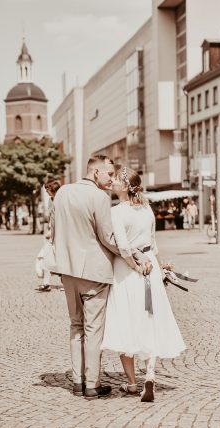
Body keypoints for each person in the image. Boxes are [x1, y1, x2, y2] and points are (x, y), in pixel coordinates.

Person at [52, 155, 152, 400]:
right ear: (95, 172)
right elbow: (108, 237)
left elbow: (54, 230)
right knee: (93, 328)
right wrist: (133, 255)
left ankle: (77, 381)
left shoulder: (63, 192)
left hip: (67, 270)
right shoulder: (99, 197)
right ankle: (92, 384)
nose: (111, 178)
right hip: (94, 272)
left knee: (76, 326)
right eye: (108, 173)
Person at [101, 166, 186, 402]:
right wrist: (159, 268)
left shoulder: (117, 212)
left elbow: (124, 246)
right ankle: (149, 374)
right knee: (151, 319)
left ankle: (131, 384)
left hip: (128, 271)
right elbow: (154, 243)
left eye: (116, 179)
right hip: (151, 267)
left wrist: (135, 266)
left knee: (125, 320)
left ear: (125, 186)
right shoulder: (147, 208)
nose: (113, 182)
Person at [37, 180, 61, 292]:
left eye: (47, 189)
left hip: (60, 235)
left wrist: (52, 232)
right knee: (47, 258)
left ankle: (67, 283)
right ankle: (46, 283)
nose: (46, 192)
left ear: (52, 189)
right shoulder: (52, 200)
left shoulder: (61, 200)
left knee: (60, 260)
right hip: (52, 234)